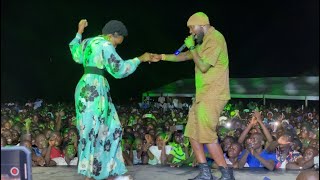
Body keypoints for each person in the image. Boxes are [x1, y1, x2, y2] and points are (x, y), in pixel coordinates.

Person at [69, 19, 157, 180]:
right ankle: (96, 173)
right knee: (105, 129)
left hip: (84, 87)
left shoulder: (88, 41)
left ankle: (105, 171)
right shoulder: (105, 44)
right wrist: (140, 59)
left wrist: (79, 31)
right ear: (112, 35)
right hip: (95, 89)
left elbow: (76, 55)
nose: (117, 45)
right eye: (118, 40)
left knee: (94, 129)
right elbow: (119, 70)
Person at [153, 12, 234, 180]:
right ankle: (205, 173)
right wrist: (161, 57)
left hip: (214, 94)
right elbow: (184, 56)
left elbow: (203, 66)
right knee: (191, 132)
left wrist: (191, 46)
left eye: (192, 29)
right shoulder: (203, 41)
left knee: (208, 135)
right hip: (202, 95)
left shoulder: (215, 39)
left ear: (202, 25)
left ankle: (227, 174)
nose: (191, 33)